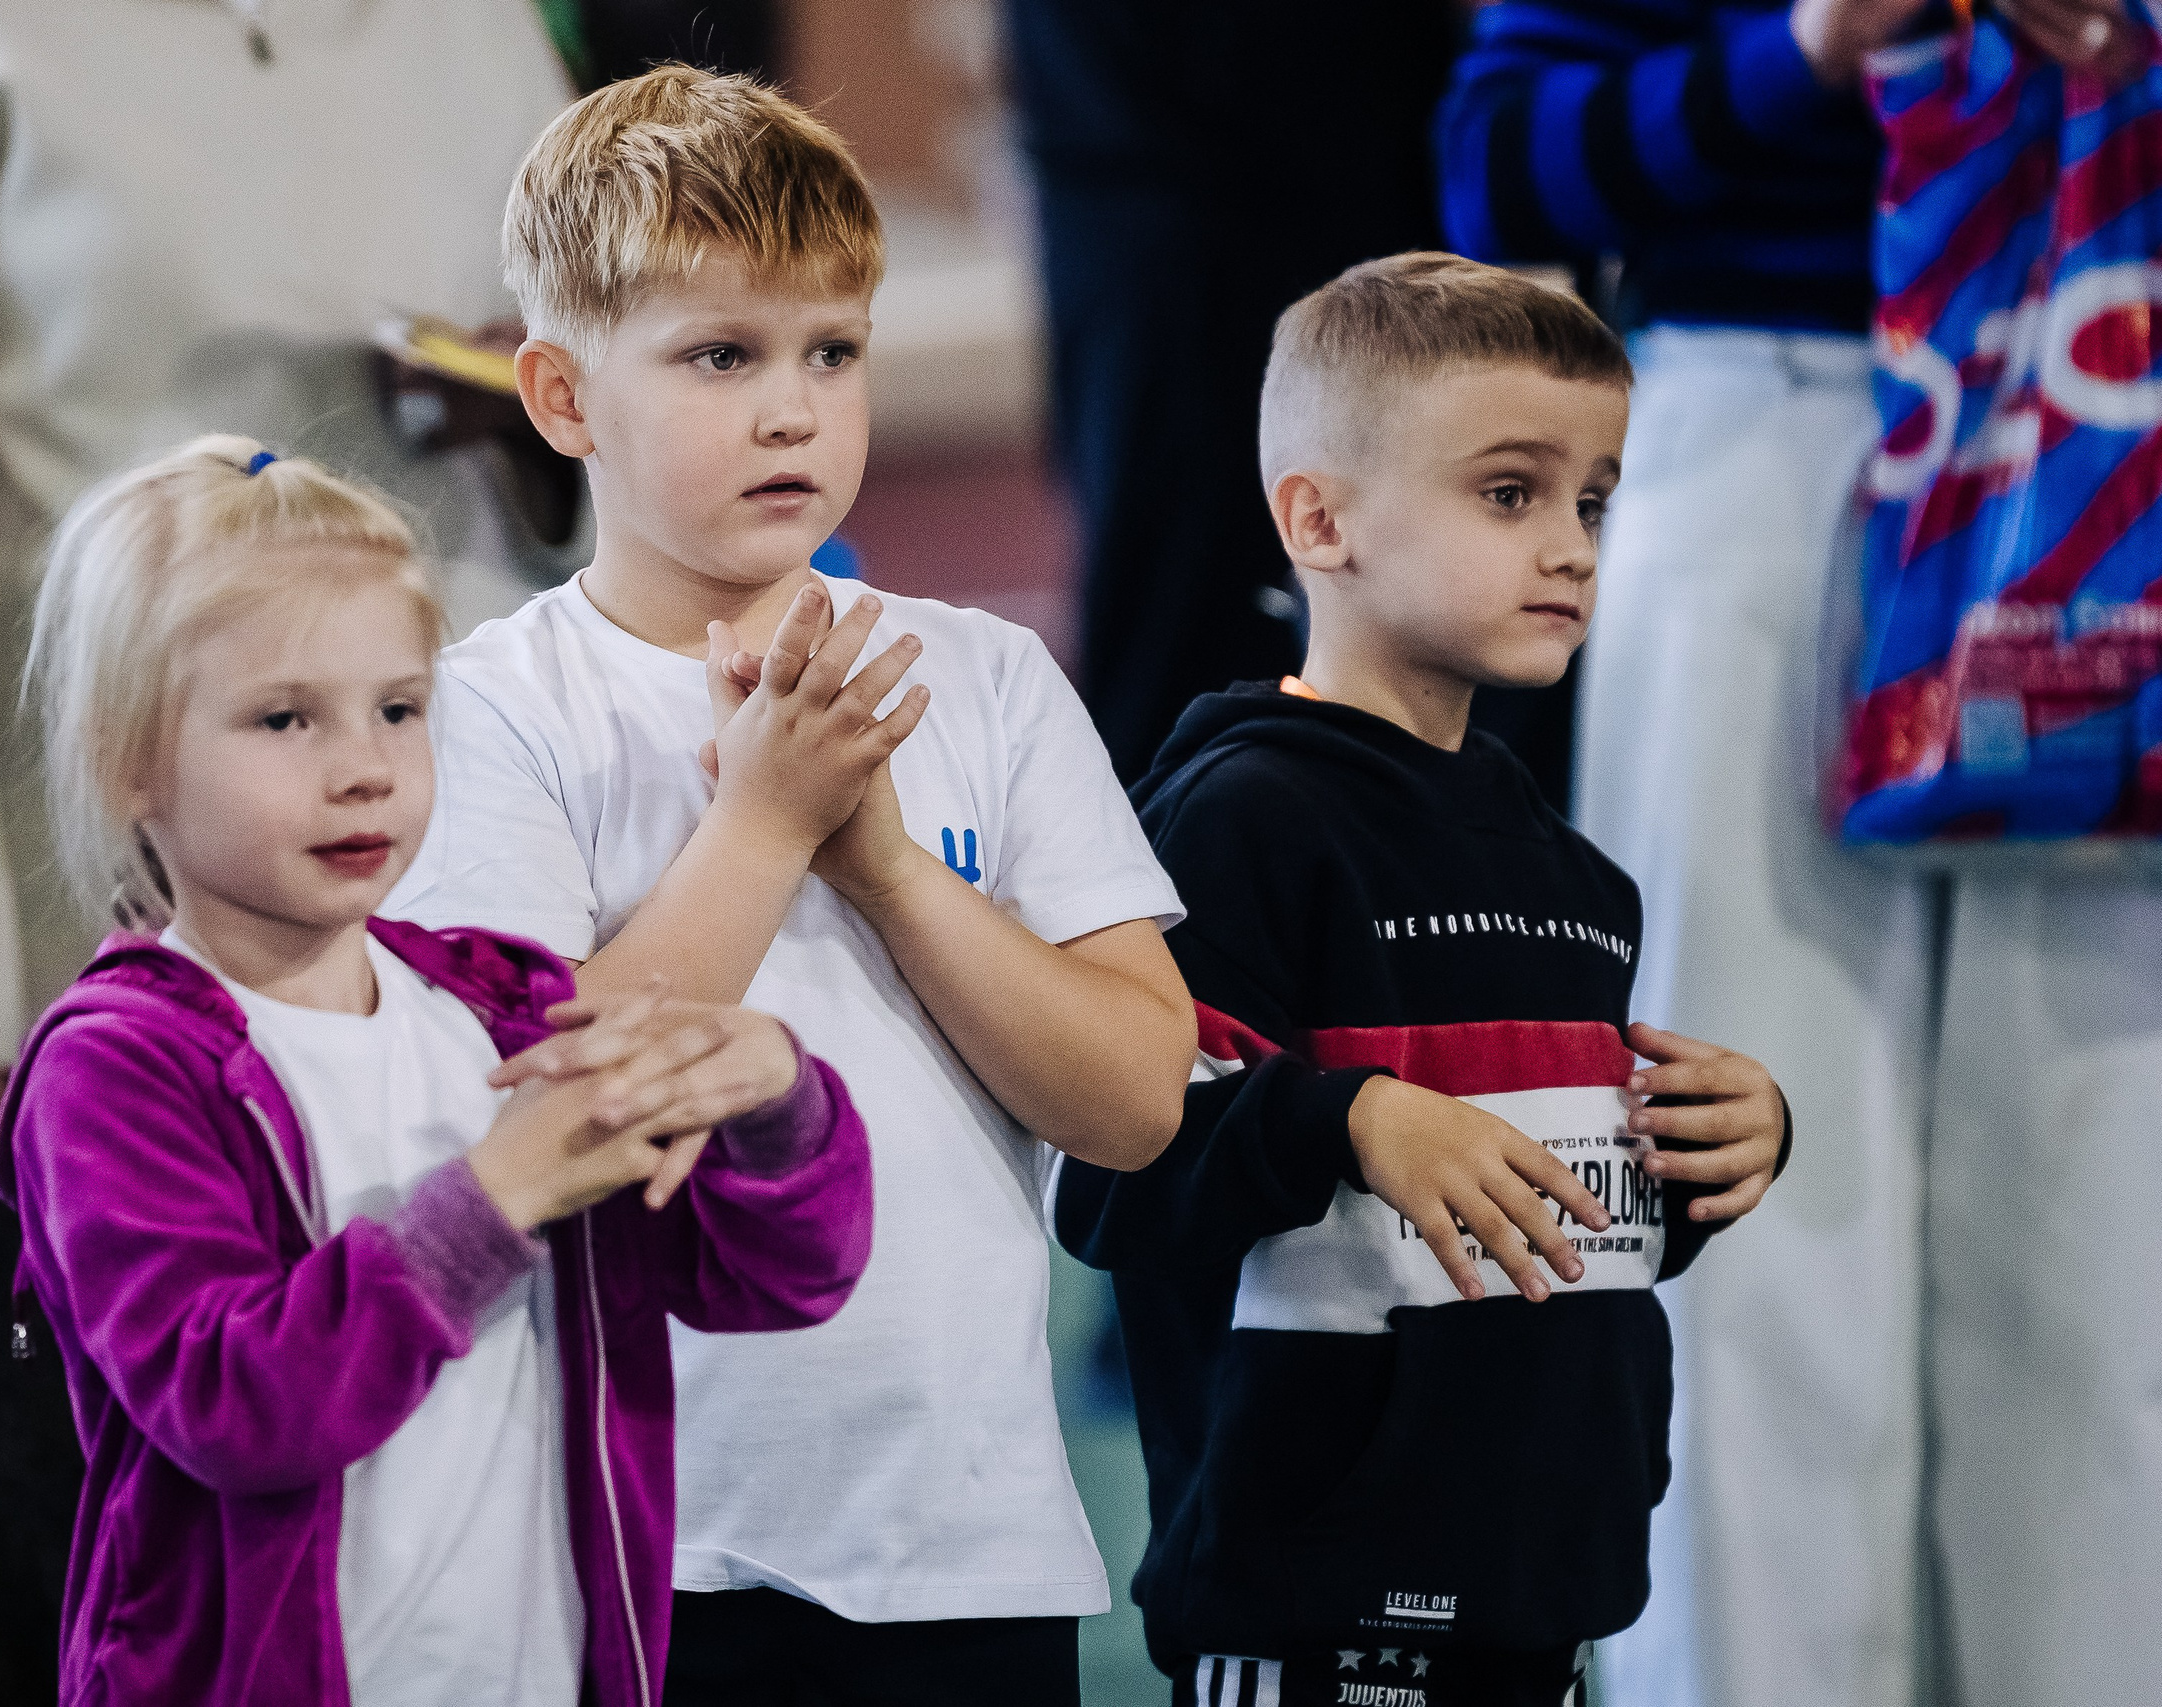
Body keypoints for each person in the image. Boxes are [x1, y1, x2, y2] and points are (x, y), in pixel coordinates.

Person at [0, 5, 581, 1697]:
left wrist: (532, 393)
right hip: (87, 923)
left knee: (493, 1481)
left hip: (462, 863)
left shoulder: (477, 20)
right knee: (99, 1530)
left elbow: (594, 345)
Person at [384, 66, 1198, 1705]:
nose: (792, 410)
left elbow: (1134, 1101)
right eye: (720, 355)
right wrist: (760, 829)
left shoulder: (987, 683)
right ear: (559, 396)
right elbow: (544, 1105)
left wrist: (888, 868)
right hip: (643, 1543)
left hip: (963, 1538)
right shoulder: (497, 708)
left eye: (832, 351)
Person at [1439, 6, 2162, 1705]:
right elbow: (1497, 161)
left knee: (2108, 1217)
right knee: (1745, 1203)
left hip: (2103, 420)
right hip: (1770, 428)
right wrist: (1812, 45)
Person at [0, 437, 871, 1706]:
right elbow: (236, 1403)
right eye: (284, 718)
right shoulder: (118, 1070)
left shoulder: (502, 1007)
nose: (364, 767)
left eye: (399, 707)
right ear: (126, 755)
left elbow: (771, 1278)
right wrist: (492, 1200)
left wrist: (775, 1105)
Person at [1055, 256, 1792, 1707]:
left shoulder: (1574, 876)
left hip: (1543, 1610)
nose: (1574, 545)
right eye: (1510, 494)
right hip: (1313, 1617)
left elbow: (1544, 1234)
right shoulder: (1236, 819)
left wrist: (1712, 1153)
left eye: (1594, 498)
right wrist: (1351, 1119)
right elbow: (1115, 1176)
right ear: (1319, 517)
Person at [1006, 0, 1469, 782]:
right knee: (1191, 642)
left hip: (1331, 188)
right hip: (1186, 226)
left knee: (1392, 618)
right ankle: (1161, 884)